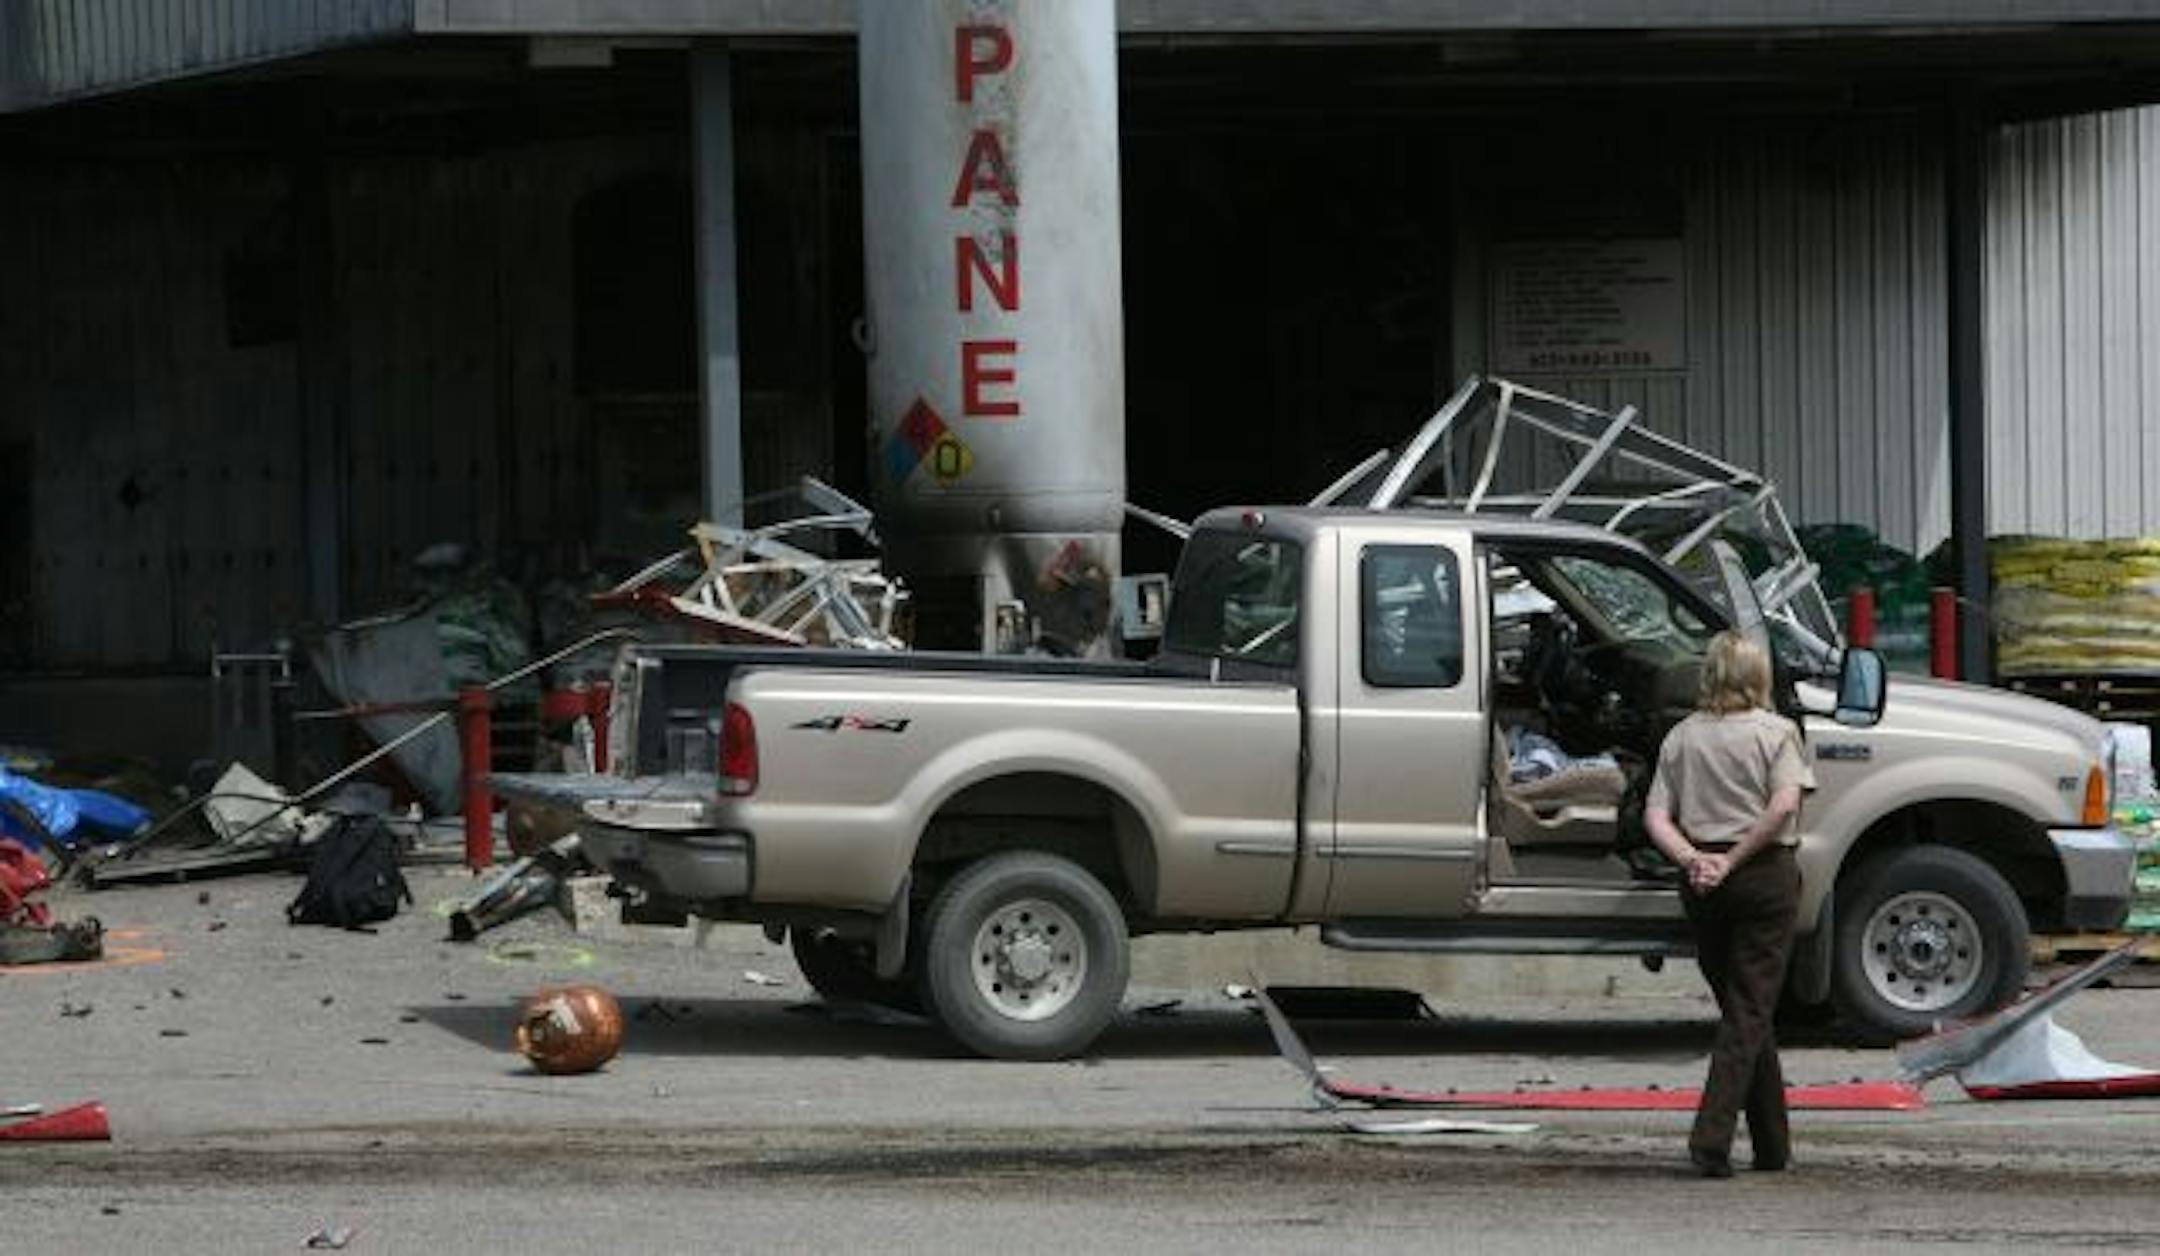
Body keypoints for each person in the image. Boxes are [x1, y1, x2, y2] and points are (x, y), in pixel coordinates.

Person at [1644, 630, 1815, 1178]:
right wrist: (1735, 858)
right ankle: (1711, 1136)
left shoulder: (1681, 738)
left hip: (1703, 886)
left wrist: (1695, 859)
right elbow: (1784, 803)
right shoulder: (1778, 733)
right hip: (1763, 875)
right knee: (1750, 1011)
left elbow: (1655, 817)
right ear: (1759, 677)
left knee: (1745, 1011)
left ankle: (1773, 1146)